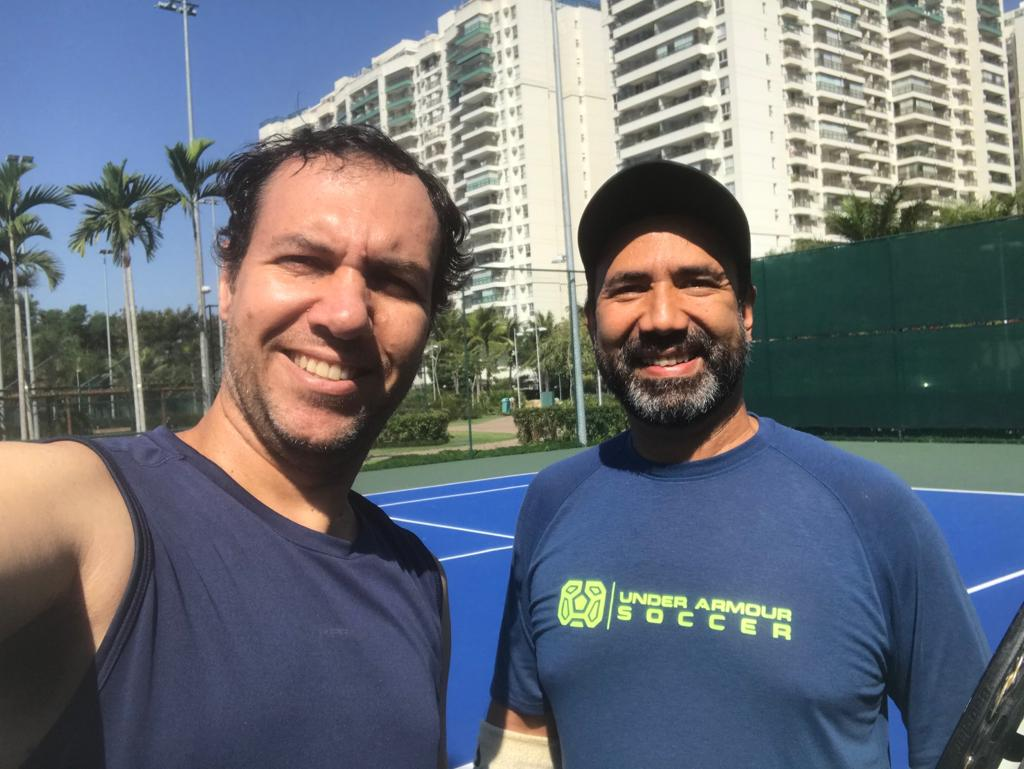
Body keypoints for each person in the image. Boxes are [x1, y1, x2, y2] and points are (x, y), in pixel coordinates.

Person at [477, 160, 989, 769]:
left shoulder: (874, 511)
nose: (662, 318)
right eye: (628, 288)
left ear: (746, 309)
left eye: (697, 282)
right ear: (592, 322)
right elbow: (522, 741)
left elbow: (971, 746)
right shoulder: (551, 502)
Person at [1, 125, 471, 769]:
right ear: (228, 282)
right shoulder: (89, 515)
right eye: (304, 260)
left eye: (394, 282)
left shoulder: (420, 581)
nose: (345, 314)